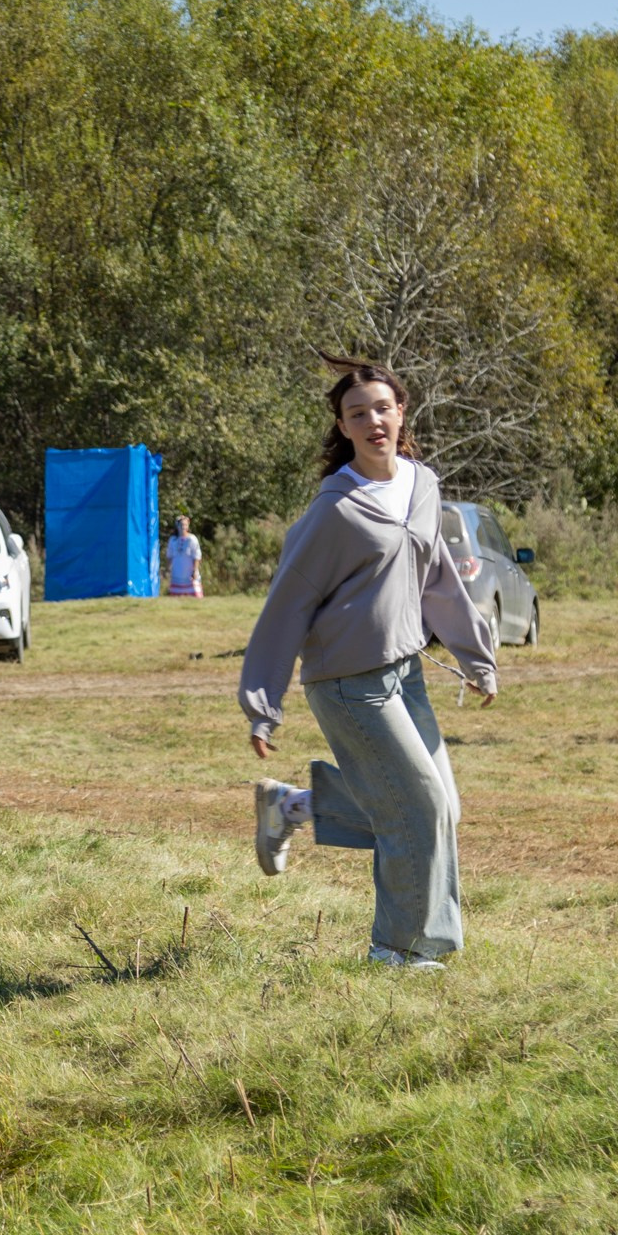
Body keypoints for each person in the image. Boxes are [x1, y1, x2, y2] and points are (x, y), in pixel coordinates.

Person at [238, 356, 497, 971]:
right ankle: (399, 950)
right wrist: (262, 706)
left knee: (438, 808)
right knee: (419, 807)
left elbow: (436, 579)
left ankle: (291, 807)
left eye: (383, 408)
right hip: (349, 683)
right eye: (358, 414)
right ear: (344, 426)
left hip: (404, 673)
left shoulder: (423, 485)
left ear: (401, 411)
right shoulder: (335, 509)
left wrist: (476, 657)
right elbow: (287, 602)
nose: (373, 420)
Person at [165, 515, 203, 597]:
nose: (183, 527)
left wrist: (195, 570)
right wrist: (167, 569)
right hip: (177, 572)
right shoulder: (173, 540)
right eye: (181, 525)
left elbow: (196, 556)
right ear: (177, 526)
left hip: (189, 572)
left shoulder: (192, 539)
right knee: (176, 597)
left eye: (185, 525)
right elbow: (169, 556)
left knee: (195, 595)